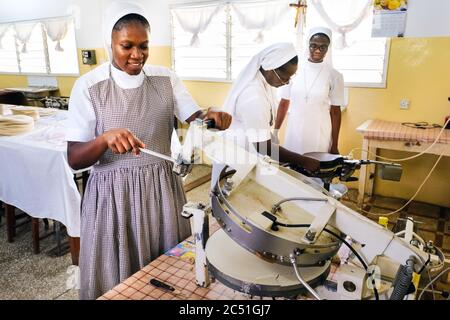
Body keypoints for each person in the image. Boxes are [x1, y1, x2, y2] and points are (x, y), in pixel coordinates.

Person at [66, 2, 231, 300]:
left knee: (167, 272)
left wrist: (214, 114)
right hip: (113, 197)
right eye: (126, 46)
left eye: (144, 46)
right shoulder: (89, 87)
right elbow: (74, 157)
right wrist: (104, 139)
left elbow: (195, 118)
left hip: (161, 189)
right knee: (118, 276)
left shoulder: (164, 79)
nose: (136, 55)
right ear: (110, 43)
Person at [222, 42, 320, 172]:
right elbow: (263, 147)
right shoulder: (253, 95)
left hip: (249, 152)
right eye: (284, 78)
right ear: (270, 68)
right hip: (238, 156)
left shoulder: (265, 83)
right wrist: (303, 161)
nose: (286, 82)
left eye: (290, 78)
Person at [275, 27, 344, 155]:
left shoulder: (334, 76)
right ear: (308, 45)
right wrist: (275, 131)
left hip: (319, 131)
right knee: (292, 168)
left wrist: (335, 144)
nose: (317, 50)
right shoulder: (293, 69)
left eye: (323, 47)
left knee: (316, 167)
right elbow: (284, 102)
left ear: (328, 48)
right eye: (313, 45)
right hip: (295, 129)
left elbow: (335, 112)